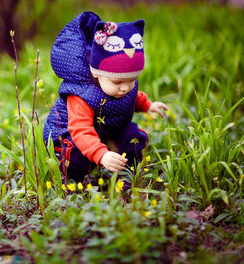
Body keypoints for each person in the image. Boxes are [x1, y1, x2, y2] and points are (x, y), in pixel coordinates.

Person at [43, 11, 168, 184]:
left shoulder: (121, 87)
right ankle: (72, 181)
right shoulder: (81, 96)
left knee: (133, 136)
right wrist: (101, 154)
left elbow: (132, 97)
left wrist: (147, 105)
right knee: (76, 156)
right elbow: (81, 131)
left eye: (132, 80)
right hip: (71, 136)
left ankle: (129, 172)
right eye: (117, 82)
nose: (125, 87)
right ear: (96, 73)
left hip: (104, 130)